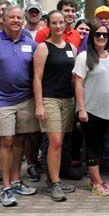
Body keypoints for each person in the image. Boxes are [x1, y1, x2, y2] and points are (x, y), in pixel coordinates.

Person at [0, 5, 39, 207]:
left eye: (19, 18)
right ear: (3, 20)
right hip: (3, 100)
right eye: (11, 17)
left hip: (26, 99)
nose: (15, 21)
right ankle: (5, 187)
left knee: (21, 140)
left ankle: (15, 181)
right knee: (7, 140)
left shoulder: (29, 42)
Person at [33, 10, 78, 202]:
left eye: (61, 23)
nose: (58, 26)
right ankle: (55, 182)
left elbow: (74, 77)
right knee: (55, 142)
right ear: (48, 25)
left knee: (62, 142)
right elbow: (37, 78)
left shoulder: (71, 48)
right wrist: (39, 105)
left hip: (67, 99)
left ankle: (54, 178)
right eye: (54, 23)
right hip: (49, 99)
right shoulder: (43, 48)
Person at [73, 24, 109, 196]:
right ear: (92, 36)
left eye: (104, 35)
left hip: (106, 110)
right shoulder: (84, 57)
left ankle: (95, 178)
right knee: (92, 146)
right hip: (90, 110)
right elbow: (78, 83)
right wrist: (81, 108)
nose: (101, 37)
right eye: (97, 34)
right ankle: (97, 183)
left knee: (99, 146)